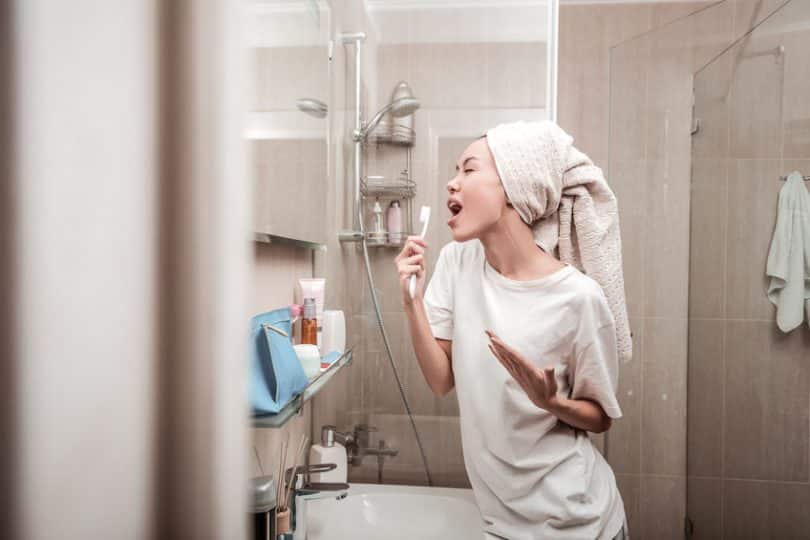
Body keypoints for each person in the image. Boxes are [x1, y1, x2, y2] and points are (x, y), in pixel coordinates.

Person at [394, 121, 629, 540]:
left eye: (469, 170)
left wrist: (552, 401)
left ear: (513, 188)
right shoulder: (456, 262)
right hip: (501, 520)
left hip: (575, 521)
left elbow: (599, 418)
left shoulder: (578, 298)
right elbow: (440, 380)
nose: (452, 183)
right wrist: (411, 302)